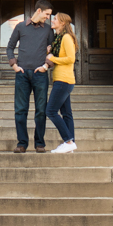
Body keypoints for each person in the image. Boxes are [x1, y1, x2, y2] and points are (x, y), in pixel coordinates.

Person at [6, 0, 54, 153]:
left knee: (41, 110)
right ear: (39, 11)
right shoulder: (20, 27)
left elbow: (53, 50)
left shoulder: (48, 30)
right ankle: (22, 144)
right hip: (22, 75)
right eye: (47, 14)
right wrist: (14, 65)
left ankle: (39, 143)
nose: (48, 17)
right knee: (20, 110)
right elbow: (9, 47)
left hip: (40, 75)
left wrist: (46, 66)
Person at [45, 11, 78, 153]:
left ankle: (68, 141)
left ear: (62, 23)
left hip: (64, 81)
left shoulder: (66, 38)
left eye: (55, 19)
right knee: (66, 113)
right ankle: (71, 144)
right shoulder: (58, 39)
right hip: (62, 80)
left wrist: (53, 59)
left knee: (50, 111)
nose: (52, 21)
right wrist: (49, 54)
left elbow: (71, 59)